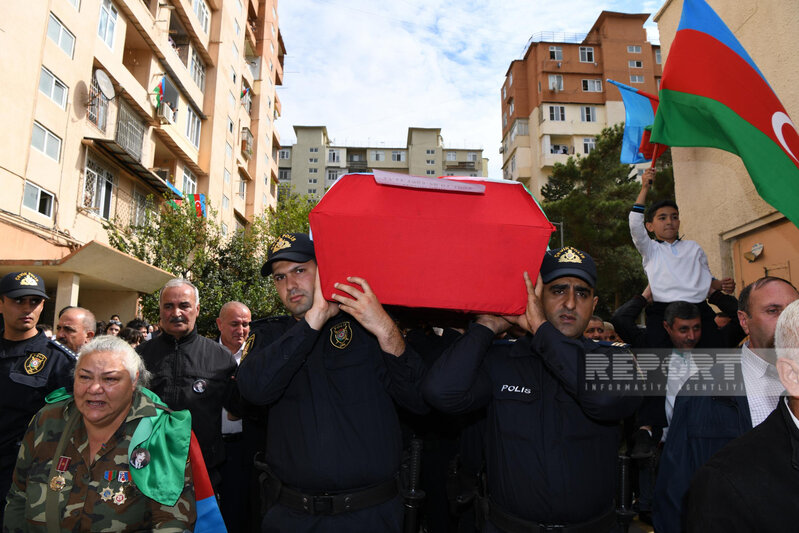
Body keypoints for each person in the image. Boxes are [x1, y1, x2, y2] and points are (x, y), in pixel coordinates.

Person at [423, 246, 642, 532]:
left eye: (582, 293)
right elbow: (441, 393)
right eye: (558, 290)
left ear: (594, 303)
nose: (571, 304)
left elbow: (603, 399)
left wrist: (540, 327)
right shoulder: (502, 358)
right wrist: (487, 325)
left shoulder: (616, 358)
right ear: (536, 296)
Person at [236, 233, 428, 532]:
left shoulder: (366, 328)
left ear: (323, 270)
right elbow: (253, 390)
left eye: (300, 270)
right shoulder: (270, 337)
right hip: (292, 515)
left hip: (370, 514)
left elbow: (419, 398)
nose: (290, 284)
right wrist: (313, 320)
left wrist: (385, 328)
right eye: (279, 277)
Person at [3, 336, 196, 531]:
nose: (94, 389)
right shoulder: (49, 419)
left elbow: (172, 521)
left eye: (110, 379)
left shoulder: (159, 430)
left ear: (133, 380)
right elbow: (19, 494)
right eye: (84, 377)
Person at [652, 276, 799, 533]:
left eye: (794, 312)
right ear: (744, 321)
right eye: (773, 311)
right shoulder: (702, 391)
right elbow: (675, 491)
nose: (787, 322)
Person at [136, 278, 237, 492]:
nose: (176, 313)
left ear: (197, 309)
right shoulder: (138, 356)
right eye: (168, 306)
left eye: (184, 305)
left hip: (202, 472)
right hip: (147, 468)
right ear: (160, 310)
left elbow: (239, 408)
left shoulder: (221, 358)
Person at [0, 272, 76, 523]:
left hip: (24, 477)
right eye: (18, 300)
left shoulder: (59, 361)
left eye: (34, 301)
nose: (27, 308)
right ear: (1, 303)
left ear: (43, 305)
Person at [630, 168, 733, 348]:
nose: (669, 221)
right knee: (658, 356)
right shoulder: (651, 249)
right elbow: (634, 225)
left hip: (698, 307)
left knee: (714, 351)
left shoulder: (693, 247)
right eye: (662, 218)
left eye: (674, 217)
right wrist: (645, 187)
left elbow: (706, 278)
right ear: (650, 226)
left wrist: (722, 285)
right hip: (662, 309)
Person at [215, 301, 260, 532]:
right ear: (219, 324)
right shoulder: (206, 355)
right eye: (234, 324)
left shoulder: (258, 357)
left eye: (245, 324)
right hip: (210, 448)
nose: (240, 330)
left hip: (245, 449)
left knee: (242, 512)